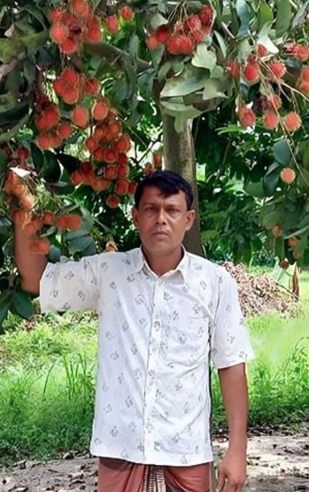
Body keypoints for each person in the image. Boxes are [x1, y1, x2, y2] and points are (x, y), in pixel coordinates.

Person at [14, 169, 254, 492]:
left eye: (172, 210)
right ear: (136, 216)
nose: (161, 219)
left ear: (189, 219)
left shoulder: (215, 284)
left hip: (186, 451)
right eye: (151, 209)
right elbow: (36, 281)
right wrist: (21, 205)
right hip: (119, 447)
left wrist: (238, 450)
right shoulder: (108, 273)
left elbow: (232, 367)